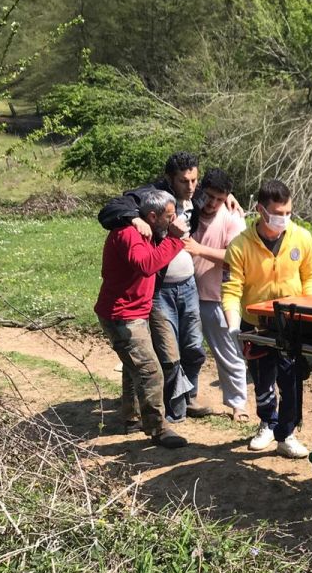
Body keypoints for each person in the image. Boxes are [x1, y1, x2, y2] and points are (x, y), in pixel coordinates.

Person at [222, 179, 312, 458]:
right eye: (278, 214)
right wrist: (232, 324)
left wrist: (311, 310)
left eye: (288, 213)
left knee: (291, 379)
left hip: (292, 324)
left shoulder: (302, 238)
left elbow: (310, 277)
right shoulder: (239, 246)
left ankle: (286, 433)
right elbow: (230, 289)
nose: (284, 219)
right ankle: (267, 421)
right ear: (260, 211)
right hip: (257, 325)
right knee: (263, 379)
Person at [94, 186, 196, 449]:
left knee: (135, 367)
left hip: (136, 309)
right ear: (152, 216)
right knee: (150, 371)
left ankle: (132, 418)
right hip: (123, 315)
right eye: (170, 217)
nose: (174, 221)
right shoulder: (130, 233)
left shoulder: (148, 229)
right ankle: (158, 429)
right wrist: (175, 240)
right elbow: (147, 265)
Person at [149, 151, 209, 424]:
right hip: (161, 290)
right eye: (184, 181)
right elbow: (118, 205)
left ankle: (191, 395)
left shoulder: (196, 199)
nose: (191, 186)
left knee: (194, 347)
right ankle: (175, 408)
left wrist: (230, 197)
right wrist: (136, 219)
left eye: (194, 179)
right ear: (170, 179)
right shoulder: (153, 198)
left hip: (188, 285)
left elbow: (218, 191)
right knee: (169, 352)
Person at [187, 167, 250, 422]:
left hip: (217, 296)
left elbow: (236, 257)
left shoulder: (233, 218)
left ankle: (239, 405)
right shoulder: (188, 208)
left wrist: (198, 249)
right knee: (186, 350)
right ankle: (185, 399)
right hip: (185, 293)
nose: (212, 203)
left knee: (228, 353)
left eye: (219, 199)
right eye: (210, 196)